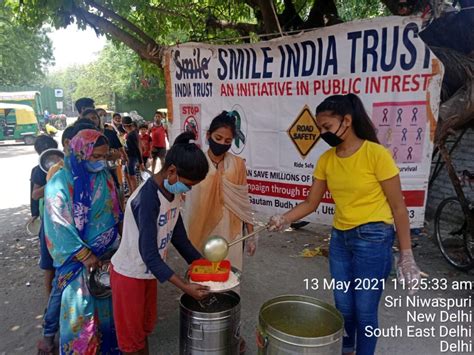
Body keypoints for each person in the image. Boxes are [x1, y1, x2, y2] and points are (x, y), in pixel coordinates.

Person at [267, 94, 421, 355]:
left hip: (373, 239)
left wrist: (406, 254)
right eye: (320, 128)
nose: (323, 133)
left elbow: (398, 208)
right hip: (340, 239)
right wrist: (284, 218)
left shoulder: (376, 154)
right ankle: (346, 349)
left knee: (364, 310)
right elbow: (311, 203)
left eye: (326, 127)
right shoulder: (327, 159)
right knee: (343, 308)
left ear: (347, 121)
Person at [110, 131, 210, 355]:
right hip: (130, 276)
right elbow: (149, 254)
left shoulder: (172, 192)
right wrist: (185, 288)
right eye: (189, 185)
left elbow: (180, 238)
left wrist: (205, 267)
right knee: (131, 343)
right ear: (172, 171)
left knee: (144, 331)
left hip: (149, 273)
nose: (188, 190)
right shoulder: (147, 199)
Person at [43, 129, 122, 354]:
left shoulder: (104, 176)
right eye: (95, 156)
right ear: (80, 151)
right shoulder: (60, 183)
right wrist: (85, 255)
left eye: (104, 157)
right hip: (79, 261)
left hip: (106, 258)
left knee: (107, 309)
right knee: (81, 313)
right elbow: (58, 224)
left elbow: (115, 211)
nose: (100, 162)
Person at [184, 111, 257, 270]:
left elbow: (243, 201)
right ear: (209, 135)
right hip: (201, 226)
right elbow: (187, 199)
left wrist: (251, 235)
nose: (222, 143)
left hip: (231, 229)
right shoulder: (196, 161)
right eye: (218, 138)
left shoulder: (238, 164)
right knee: (202, 274)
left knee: (229, 273)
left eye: (228, 141)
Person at [30, 135, 59, 297]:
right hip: (49, 222)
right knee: (48, 263)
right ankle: (50, 298)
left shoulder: (65, 166)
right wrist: (53, 181)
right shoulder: (38, 171)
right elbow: (34, 195)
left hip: (66, 219)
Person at [122, 116, 144, 194]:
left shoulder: (132, 135)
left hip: (132, 157)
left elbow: (137, 149)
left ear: (124, 125)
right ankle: (132, 191)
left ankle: (135, 193)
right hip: (130, 157)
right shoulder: (132, 133)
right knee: (126, 173)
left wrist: (141, 162)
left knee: (132, 176)